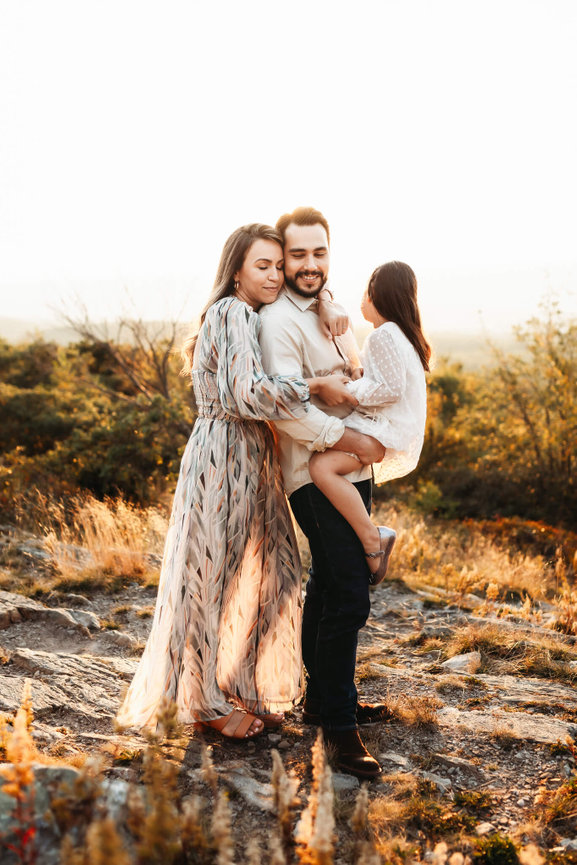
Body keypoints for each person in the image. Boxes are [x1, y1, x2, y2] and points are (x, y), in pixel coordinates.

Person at [116, 223, 355, 740]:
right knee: (211, 579)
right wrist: (315, 385)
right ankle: (202, 701)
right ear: (237, 270)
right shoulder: (230, 312)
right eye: (261, 266)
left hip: (252, 455)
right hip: (222, 454)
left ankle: (243, 683)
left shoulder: (251, 314)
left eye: (276, 265)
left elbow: (310, 292)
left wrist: (328, 300)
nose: (273, 276)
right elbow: (246, 393)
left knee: (276, 574)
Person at [258, 207, 396, 779]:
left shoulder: (323, 305)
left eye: (319, 253)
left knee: (329, 584)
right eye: (298, 255)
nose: (310, 265)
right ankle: (340, 729)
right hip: (311, 475)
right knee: (349, 597)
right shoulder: (277, 323)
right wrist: (352, 437)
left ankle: (322, 700)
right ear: (283, 258)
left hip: (350, 471)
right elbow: (286, 408)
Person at [309, 261, 430, 584]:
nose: (361, 299)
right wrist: (361, 377)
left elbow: (390, 389)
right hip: (387, 431)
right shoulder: (403, 335)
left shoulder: (383, 335)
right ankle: (371, 536)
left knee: (320, 468)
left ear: (379, 294)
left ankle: (372, 538)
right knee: (323, 464)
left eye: (366, 291)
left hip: (378, 430)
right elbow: (388, 380)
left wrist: (349, 390)